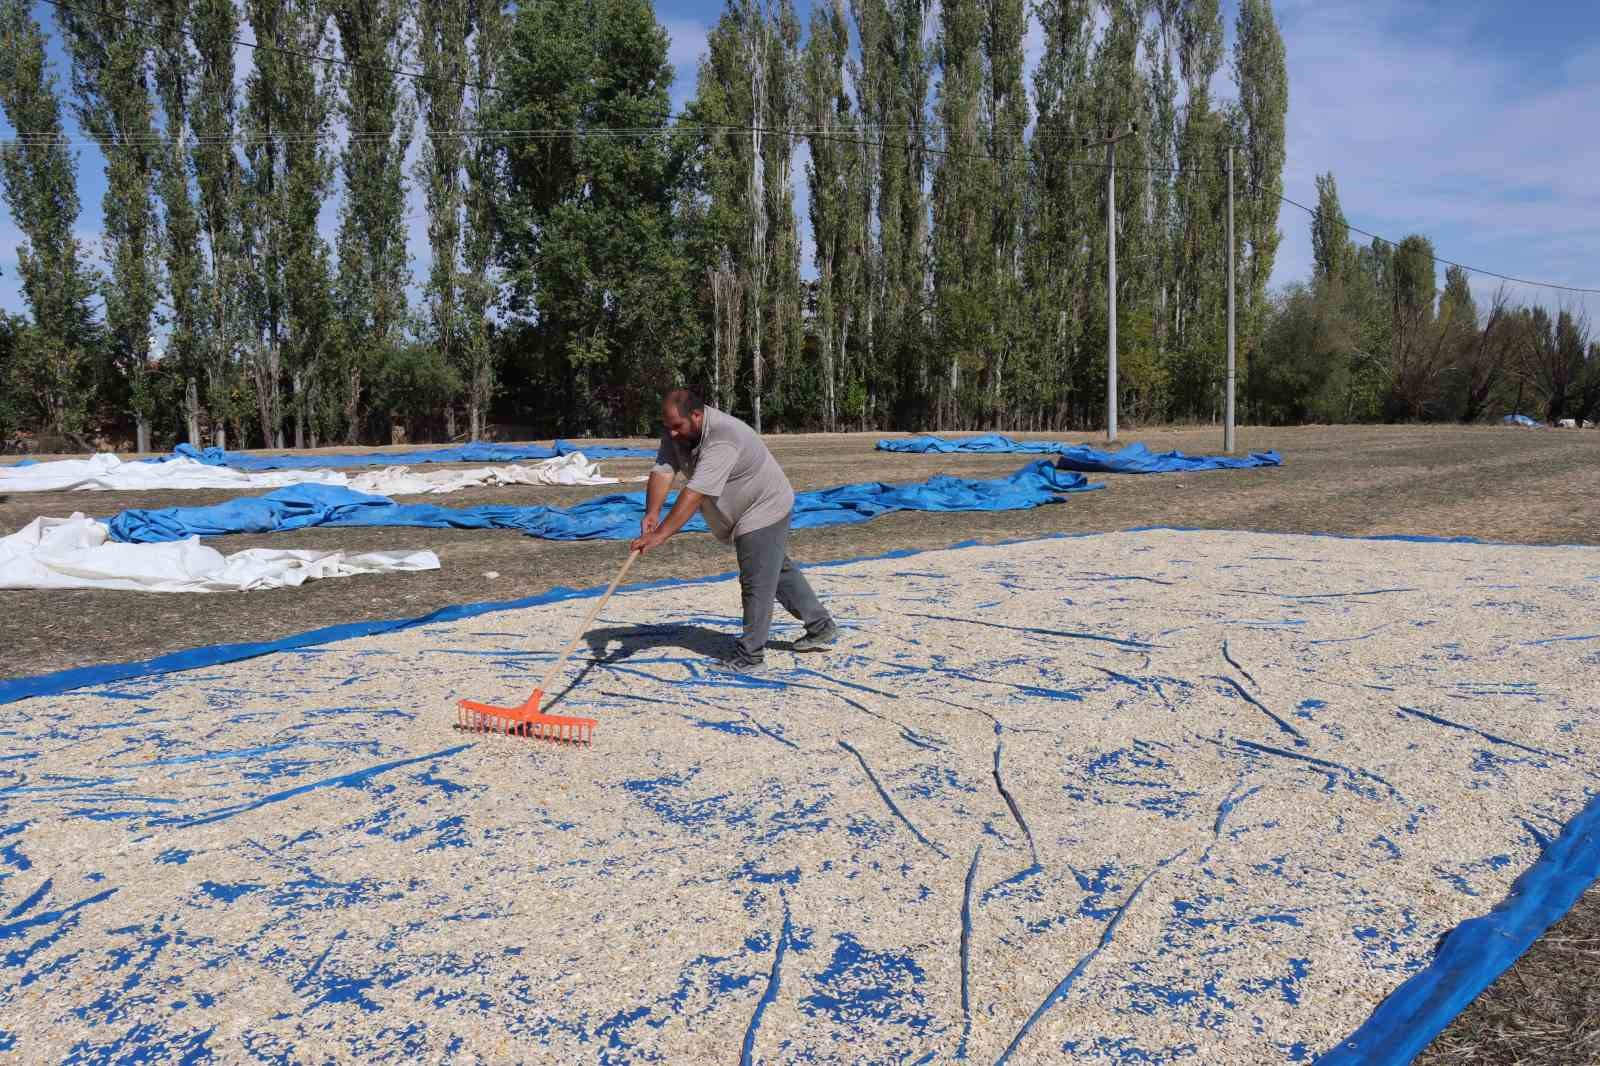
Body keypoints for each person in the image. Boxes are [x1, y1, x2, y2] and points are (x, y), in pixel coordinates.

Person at [630, 388, 838, 671]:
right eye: (667, 428)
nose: (672, 434)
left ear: (697, 415)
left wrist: (660, 535)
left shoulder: (724, 437)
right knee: (775, 570)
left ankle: (750, 656)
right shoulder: (677, 432)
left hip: (764, 506)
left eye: (677, 426)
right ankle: (821, 626)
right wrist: (652, 512)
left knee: (756, 580)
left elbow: (694, 493)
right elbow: (663, 471)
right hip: (741, 512)